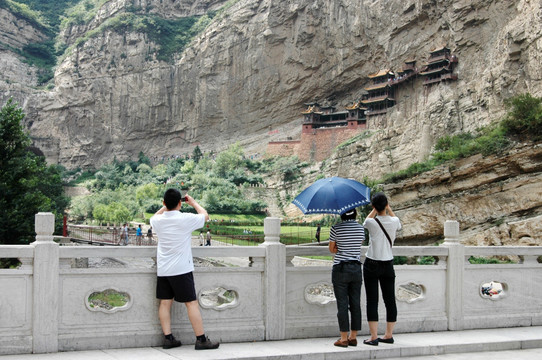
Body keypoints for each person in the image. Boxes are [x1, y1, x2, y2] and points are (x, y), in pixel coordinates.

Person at [150, 188, 219, 350]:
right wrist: (193, 202)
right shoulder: (185, 219)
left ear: (164, 203)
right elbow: (205, 215)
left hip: (163, 269)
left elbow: (155, 216)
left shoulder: (158, 221)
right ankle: (201, 340)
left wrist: (165, 206)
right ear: (180, 203)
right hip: (181, 269)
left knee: (165, 304)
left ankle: (168, 338)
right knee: (191, 304)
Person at [362, 192, 402, 346]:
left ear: (373, 207)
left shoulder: (371, 223)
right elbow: (396, 220)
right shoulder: (394, 221)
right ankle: (388, 335)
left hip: (372, 263)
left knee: (372, 300)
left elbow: (367, 220)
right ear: (386, 205)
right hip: (388, 264)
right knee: (390, 300)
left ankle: (373, 337)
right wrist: (388, 208)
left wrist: (375, 208)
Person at [328, 209, 365, 348]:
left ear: (342, 215)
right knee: (355, 303)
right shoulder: (360, 228)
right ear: (355, 214)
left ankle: (343, 338)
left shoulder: (336, 228)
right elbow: (357, 245)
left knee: (342, 304)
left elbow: (332, 249)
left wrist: (340, 247)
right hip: (356, 268)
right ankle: (353, 337)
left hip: (341, 268)